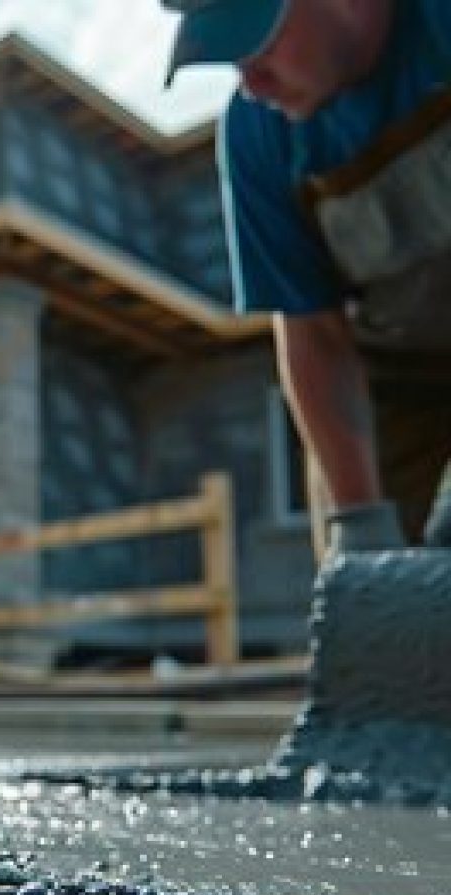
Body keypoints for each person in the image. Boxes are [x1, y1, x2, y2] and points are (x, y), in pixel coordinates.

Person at [164, 0, 451, 556]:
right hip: (395, 377)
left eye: (258, 44)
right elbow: (311, 333)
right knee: (368, 604)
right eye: (230, 60)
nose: (251, 84)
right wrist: (361, 522)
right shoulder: (257, 136)